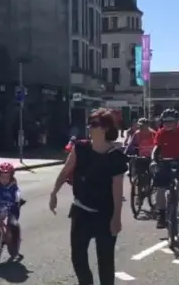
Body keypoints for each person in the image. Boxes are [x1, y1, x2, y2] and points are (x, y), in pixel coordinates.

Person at [49, 108, 126, 285]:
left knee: (105, 262)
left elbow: (117, 190)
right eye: (89, 124)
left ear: (105, 128)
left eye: (94, 124)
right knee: (78, 256)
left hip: (104, 214)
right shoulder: (81, 148)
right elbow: (65, 170)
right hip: (81, 211)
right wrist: (54, 193)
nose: (90, 127)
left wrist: (116, 218)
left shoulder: (115, 157)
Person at [151, 109, 179, 229]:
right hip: (164, 161)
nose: (168, 124)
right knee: (161, 189)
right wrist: (154, 160)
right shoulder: (161, 132)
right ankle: (161, 215)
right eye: (166, 122)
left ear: (177, 122)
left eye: (171, 122)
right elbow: (156, 148)